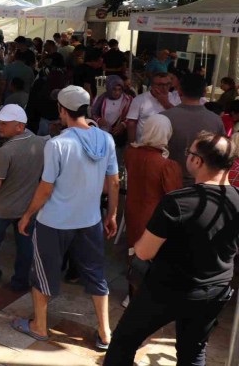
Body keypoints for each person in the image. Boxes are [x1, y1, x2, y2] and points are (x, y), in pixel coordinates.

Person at [105, 131, 239, 365]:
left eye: (189, 153)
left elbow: (144, 251)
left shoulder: (178, 201)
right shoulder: (235, 200)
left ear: (197, 161)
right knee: (193, 351)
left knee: (124, 342)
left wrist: (138, 244)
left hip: (167, 288)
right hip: (214, 288)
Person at [12, 85, 118, 348]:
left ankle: (39, 326)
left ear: (62, 110)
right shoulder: (106, 139)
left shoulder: (57, 144)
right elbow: (114, 182)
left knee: (43, 274)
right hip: (90, 219)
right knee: (96, 275)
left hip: (54, 222)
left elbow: (46, 188)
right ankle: (105, 332)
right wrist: (112, 214)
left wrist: (27, 215)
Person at [0, 105, 46, 291]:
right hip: (28, 207)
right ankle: (21, 281)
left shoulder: (5, 152)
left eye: (4, 123)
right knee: (25, 246)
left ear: (19, 126)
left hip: (2, 208)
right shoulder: (40, 142)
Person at [122, 114, 182, 301]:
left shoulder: (130, 153)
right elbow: (174, 197)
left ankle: (131, 295)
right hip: (155, 217)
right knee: (153, 258)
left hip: (132, 212)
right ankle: (145, 299)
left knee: (133, 252)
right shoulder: (167, 165)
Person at [162, 73, 225, 186]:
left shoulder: (164, 117)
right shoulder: (216, 120)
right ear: (204, 92)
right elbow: (221, 153)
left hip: (168, 181)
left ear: (179, 91)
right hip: (204, 183)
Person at [126, 72, 180, 144]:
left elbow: (179, 119)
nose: (165, 88)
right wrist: (132, 144)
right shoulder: (139, 100)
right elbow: (131, 123)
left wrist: (165, 103)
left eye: (167, 84)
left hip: (167, 144)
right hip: (144, 144)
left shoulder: (176, 98)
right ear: (152, 85)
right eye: (160, 85)